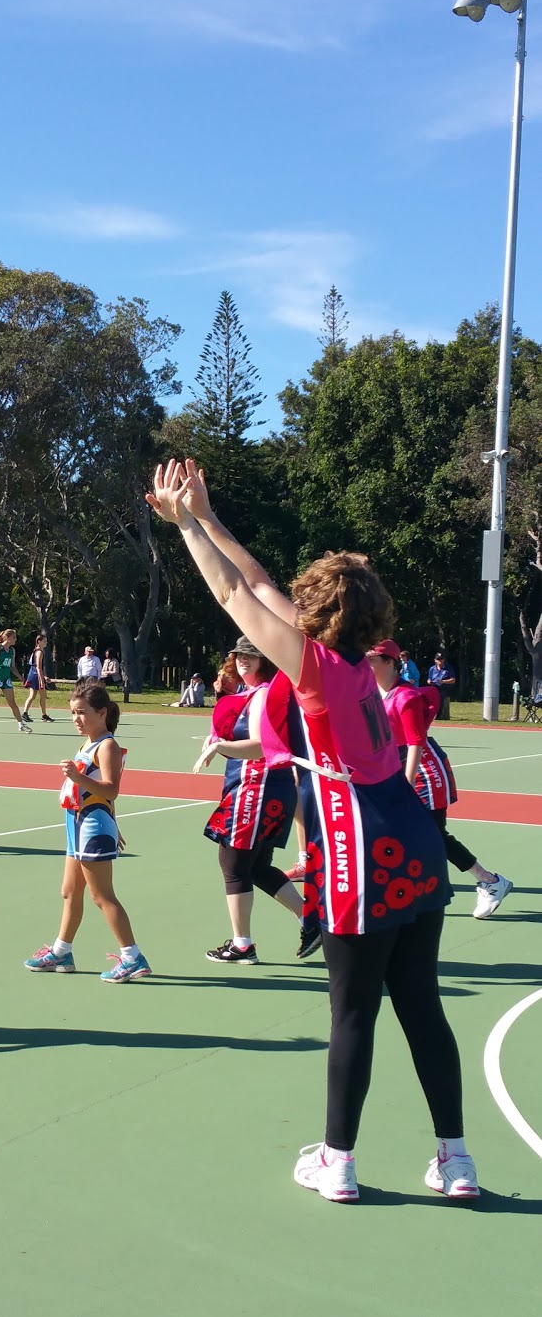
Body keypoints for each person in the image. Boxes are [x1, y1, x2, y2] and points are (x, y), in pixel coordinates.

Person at [147, 457, 479, 1204]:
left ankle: (338, 1161)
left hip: (363, 848)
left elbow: (236, 590)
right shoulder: (358, 665)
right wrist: (205, 512)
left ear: (313, 613)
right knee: (421, 1004)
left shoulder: (314, 666)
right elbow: (258, 579)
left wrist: (183, 526)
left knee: (354, 1011)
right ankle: (455, 1161)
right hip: (414, 838)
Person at [194, 636, 320, 965]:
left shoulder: (263, 694)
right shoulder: (247, 694)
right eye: (239, 656)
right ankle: (311, 919)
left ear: (265, 660)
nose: (243, 661)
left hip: (257, 787)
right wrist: (218, 736)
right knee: (257, 867)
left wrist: (219, 747)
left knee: (233, 865)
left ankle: (242, 945)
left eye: (251, 656)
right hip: (257, 787)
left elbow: (262, 746)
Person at [367, 641, 511, 920]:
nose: (365, 664)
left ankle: (490, 882)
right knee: (396, 834)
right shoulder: (373, 694)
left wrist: (406, 785)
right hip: (394, 766)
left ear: (389, 662)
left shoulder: (404, 696)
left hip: (424, 770)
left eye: (371, 659)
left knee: (433, 836)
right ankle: (419, 889)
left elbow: (415, 743)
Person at [23, 679, 151, 982]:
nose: (76, 719)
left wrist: (78, 778)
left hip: (92, 826)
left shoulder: (108, 746)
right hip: (77, 824)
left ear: (102, 712)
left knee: (102, 896)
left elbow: (111, 790)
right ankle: (61, 951)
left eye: (82, 712)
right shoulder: (88, 743)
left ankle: (132, 957)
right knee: (70, 892)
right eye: (72, 713)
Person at [0, 629, 31, 734]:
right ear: (7, 638)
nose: (15, 639)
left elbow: (12, 666)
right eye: (14, 637)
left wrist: (20, 677)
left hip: (6, 678)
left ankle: (21, 724)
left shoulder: (12, 650)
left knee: (12, 702)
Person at [23, 634, 54, 724]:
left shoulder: (36, 651)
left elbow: (36, 667)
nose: (46, 643)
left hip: (33, 674)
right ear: (39, 641)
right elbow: (38, 667)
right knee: (40, 695)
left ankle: (38, 714)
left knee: (35, 695)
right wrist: (41, 680)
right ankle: (41, 715)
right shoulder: (39, 652)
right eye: (44, 641)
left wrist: (44, 677)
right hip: (36, 676)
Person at [427, 651, 455, 720]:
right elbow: (428, 679)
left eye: (441, 659)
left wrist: (443, 681)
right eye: (438, 659)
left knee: (439, 697)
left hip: (444, 688)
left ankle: (438, 715)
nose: (440, 661)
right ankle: (427, 714)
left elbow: (453, 680)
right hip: (434, 687)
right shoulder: (432, 669)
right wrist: (429, 682)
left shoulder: (448, 668)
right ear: (435, 660)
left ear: (443, 660)